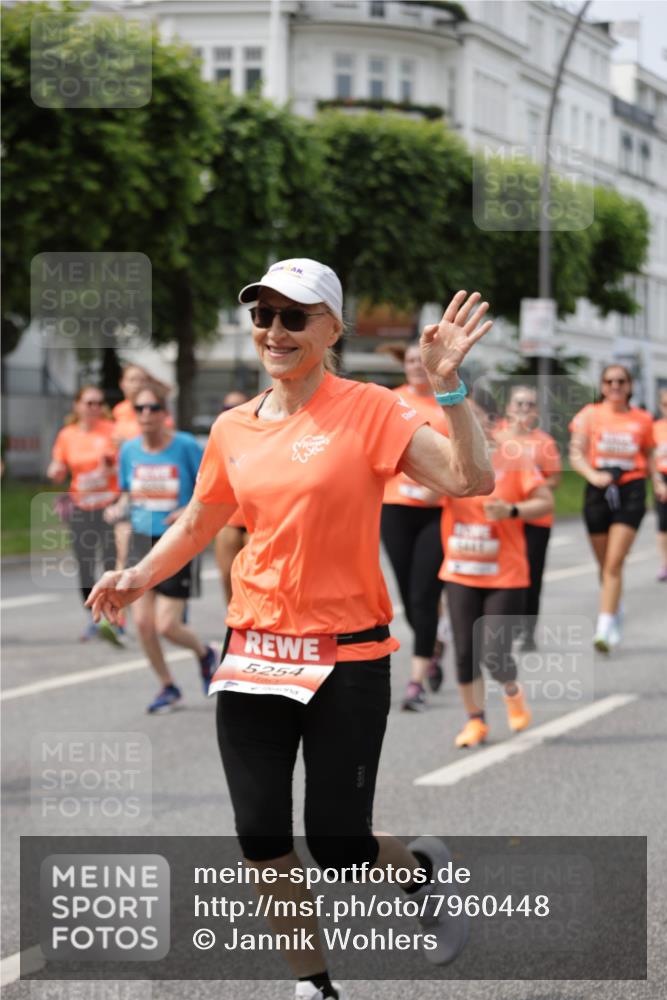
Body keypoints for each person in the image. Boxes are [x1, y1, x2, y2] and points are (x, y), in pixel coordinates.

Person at [88, 258, 494, 1000]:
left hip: (348, 654)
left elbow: (470, 480)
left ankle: (420, 871)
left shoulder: (369, 408)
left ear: (331, 328)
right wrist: (137, 574)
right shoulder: (232, 427)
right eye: (263, 316)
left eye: (294, 316)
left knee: (339, 845)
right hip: (255, 650)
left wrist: (449, 389)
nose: (274, 331)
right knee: (260, 834)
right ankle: (315, 986)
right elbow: (199, 520)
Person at [440, 386, 553, 748]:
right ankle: (476, 721)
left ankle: (511, 691)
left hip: (505, 573)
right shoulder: (448, 456)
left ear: (491, 420)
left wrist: (512, 511)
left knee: (493, 652)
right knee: (463, 651)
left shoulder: (513, 457)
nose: (465, 422)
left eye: (473, 415)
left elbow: (545, 501)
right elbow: (422, 493)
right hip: (460, 569)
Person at [103, 384, 216, 713]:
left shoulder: (185, 446)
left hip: (176, 539)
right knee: (142, 624)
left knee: (167, 625)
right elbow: (127, 492)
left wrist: (187, 510)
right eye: (140, 409)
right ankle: (168, 686)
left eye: (153, 408)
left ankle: (204, 654)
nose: (146, 414)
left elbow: (208, 486)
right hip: (140, 539)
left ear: (165, 414)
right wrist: (117, 508)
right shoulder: (129, 451)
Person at [380, 342, 450, 711]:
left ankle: (415, 682)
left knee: (424, 595)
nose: (415, 367)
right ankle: (434, 642)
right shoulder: (390, 402)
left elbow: (462, 458)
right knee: (408, 600)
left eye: (421, 362)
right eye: (409, 361)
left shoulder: (448, 403)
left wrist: (437, 489)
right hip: (394, 507)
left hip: (436, 511)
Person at [569, 365, 655, 652]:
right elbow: (576, 454)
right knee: (604, 564)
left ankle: (604, 628)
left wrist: (659, 485)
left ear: (629, 386)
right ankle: (614, 608)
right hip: (598, 489)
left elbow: (650, 455)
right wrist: (593, 476)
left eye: (621, 381)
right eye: (609, 381)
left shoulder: (642, 420)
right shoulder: (589, 415)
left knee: (615, 562)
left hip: (631, 489)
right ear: (602, 386)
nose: (615, 385)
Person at [47, 386, 121, 645]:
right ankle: (94, 618)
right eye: (89, 403)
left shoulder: (112, 432)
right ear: (78, 405)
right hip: (80, 505)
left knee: (111, 562)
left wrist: (112, 467)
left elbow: (125, 464)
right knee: (85, 563)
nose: (94, 408)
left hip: (109, 504)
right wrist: (56, 470)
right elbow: (59, 465)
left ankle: (114, 617)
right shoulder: (67, 435)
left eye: (99, 403)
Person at [497, 385, 561, 652]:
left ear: (535, 411)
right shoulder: (494, 437)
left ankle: (528, 631)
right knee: (502, 575)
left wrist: (531, 490)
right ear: (509, 408)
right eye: (519, 403)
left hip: (535, 520)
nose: (524, 409)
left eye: (529, 405)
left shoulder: (544, 442)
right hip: (502, 520)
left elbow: (554, 478)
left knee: (531, 576)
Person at [214, 390, 250, 606]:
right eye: (228, 408)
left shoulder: (263, 435)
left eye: (239, 407)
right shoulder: (219, 438)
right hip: (228, 519)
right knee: (227, 577)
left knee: (251, 580)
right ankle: (232, 628)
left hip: (256, 522)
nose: (233, 412)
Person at [652, 388, 667, 581]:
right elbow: (649, 458)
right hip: (662, 478)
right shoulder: (655, 428)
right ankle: (665, 564)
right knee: (663, 525)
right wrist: (657, 483)